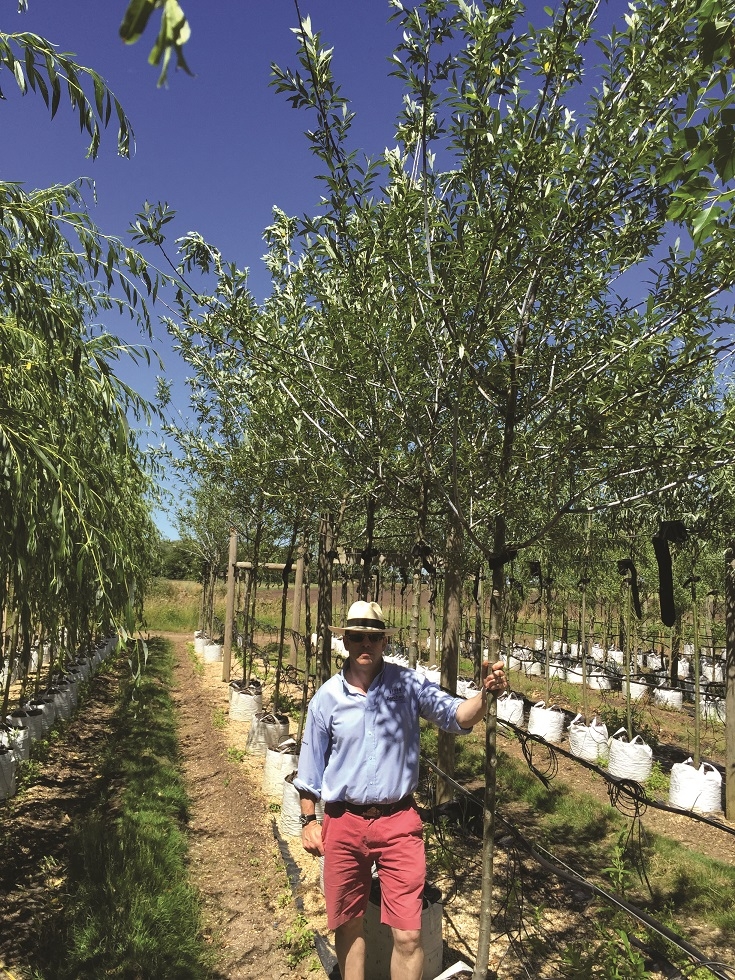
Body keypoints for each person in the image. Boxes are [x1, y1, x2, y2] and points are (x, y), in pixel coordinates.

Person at [294, 600, 508, 980]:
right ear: (344, 640)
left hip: (399, 822)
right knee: (348, 924)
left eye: (373, 638)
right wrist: (309, 820)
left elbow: (455, 716)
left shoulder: (407, 685)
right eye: (357, 636)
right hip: (344, 823)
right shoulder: (326, 699)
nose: (365, 644)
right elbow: (309, 769)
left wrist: (485, 694)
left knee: (409, 935)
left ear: (383, 643)